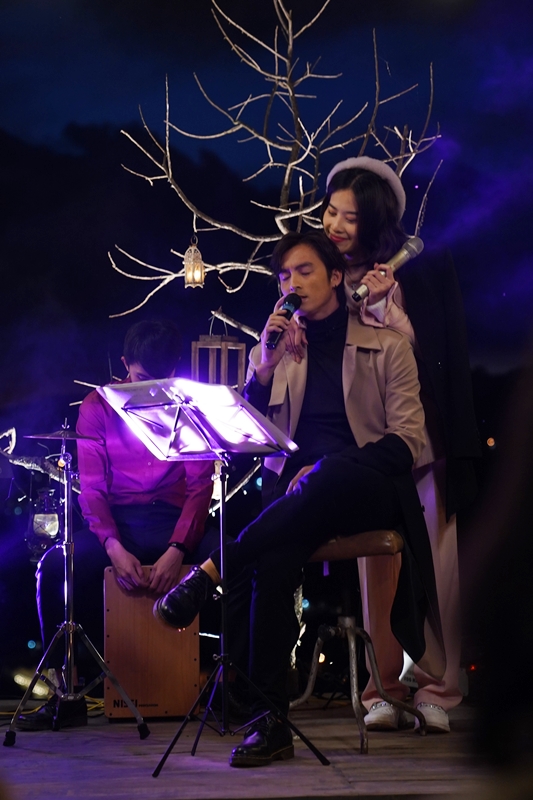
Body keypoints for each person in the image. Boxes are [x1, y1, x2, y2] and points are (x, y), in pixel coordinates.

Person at [154, 231, 444, 768]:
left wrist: (330, 467)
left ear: (335, 277)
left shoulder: (389, 345)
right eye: (284, 276)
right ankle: (270, 722)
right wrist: (263, 367)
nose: (292, 284)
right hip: (295, 499)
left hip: (369, 488)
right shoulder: (278, 351)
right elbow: (245, 437)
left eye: (304, 271)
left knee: (326, 474)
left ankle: (213, 569)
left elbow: (407, 443)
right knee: (272, 561)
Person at [315, 156, 481, 733]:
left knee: (437, 567)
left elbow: (434, 356)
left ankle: (439, 688)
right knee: (376, 566)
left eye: (349, 217)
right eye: (330, 212)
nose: (335, 225)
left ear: (375, 220)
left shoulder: (418, 271)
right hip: (365, 445)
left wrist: (386, 307)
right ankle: (381, 689)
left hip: (422, 440)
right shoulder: (326, 277)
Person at [17, 319, 215, 730]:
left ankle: (232, 692)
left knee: (237, 555)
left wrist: (178, 549)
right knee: (54, 569)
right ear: (125, 365)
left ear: (174, 368)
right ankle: (65, 695)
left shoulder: (190, 407)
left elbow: (200, 488)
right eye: (142, 379)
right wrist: (112, 545)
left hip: (172, 519)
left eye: (159, 380)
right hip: (120, 522)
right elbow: (92, 489)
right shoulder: (97, 406)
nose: (150, 390)